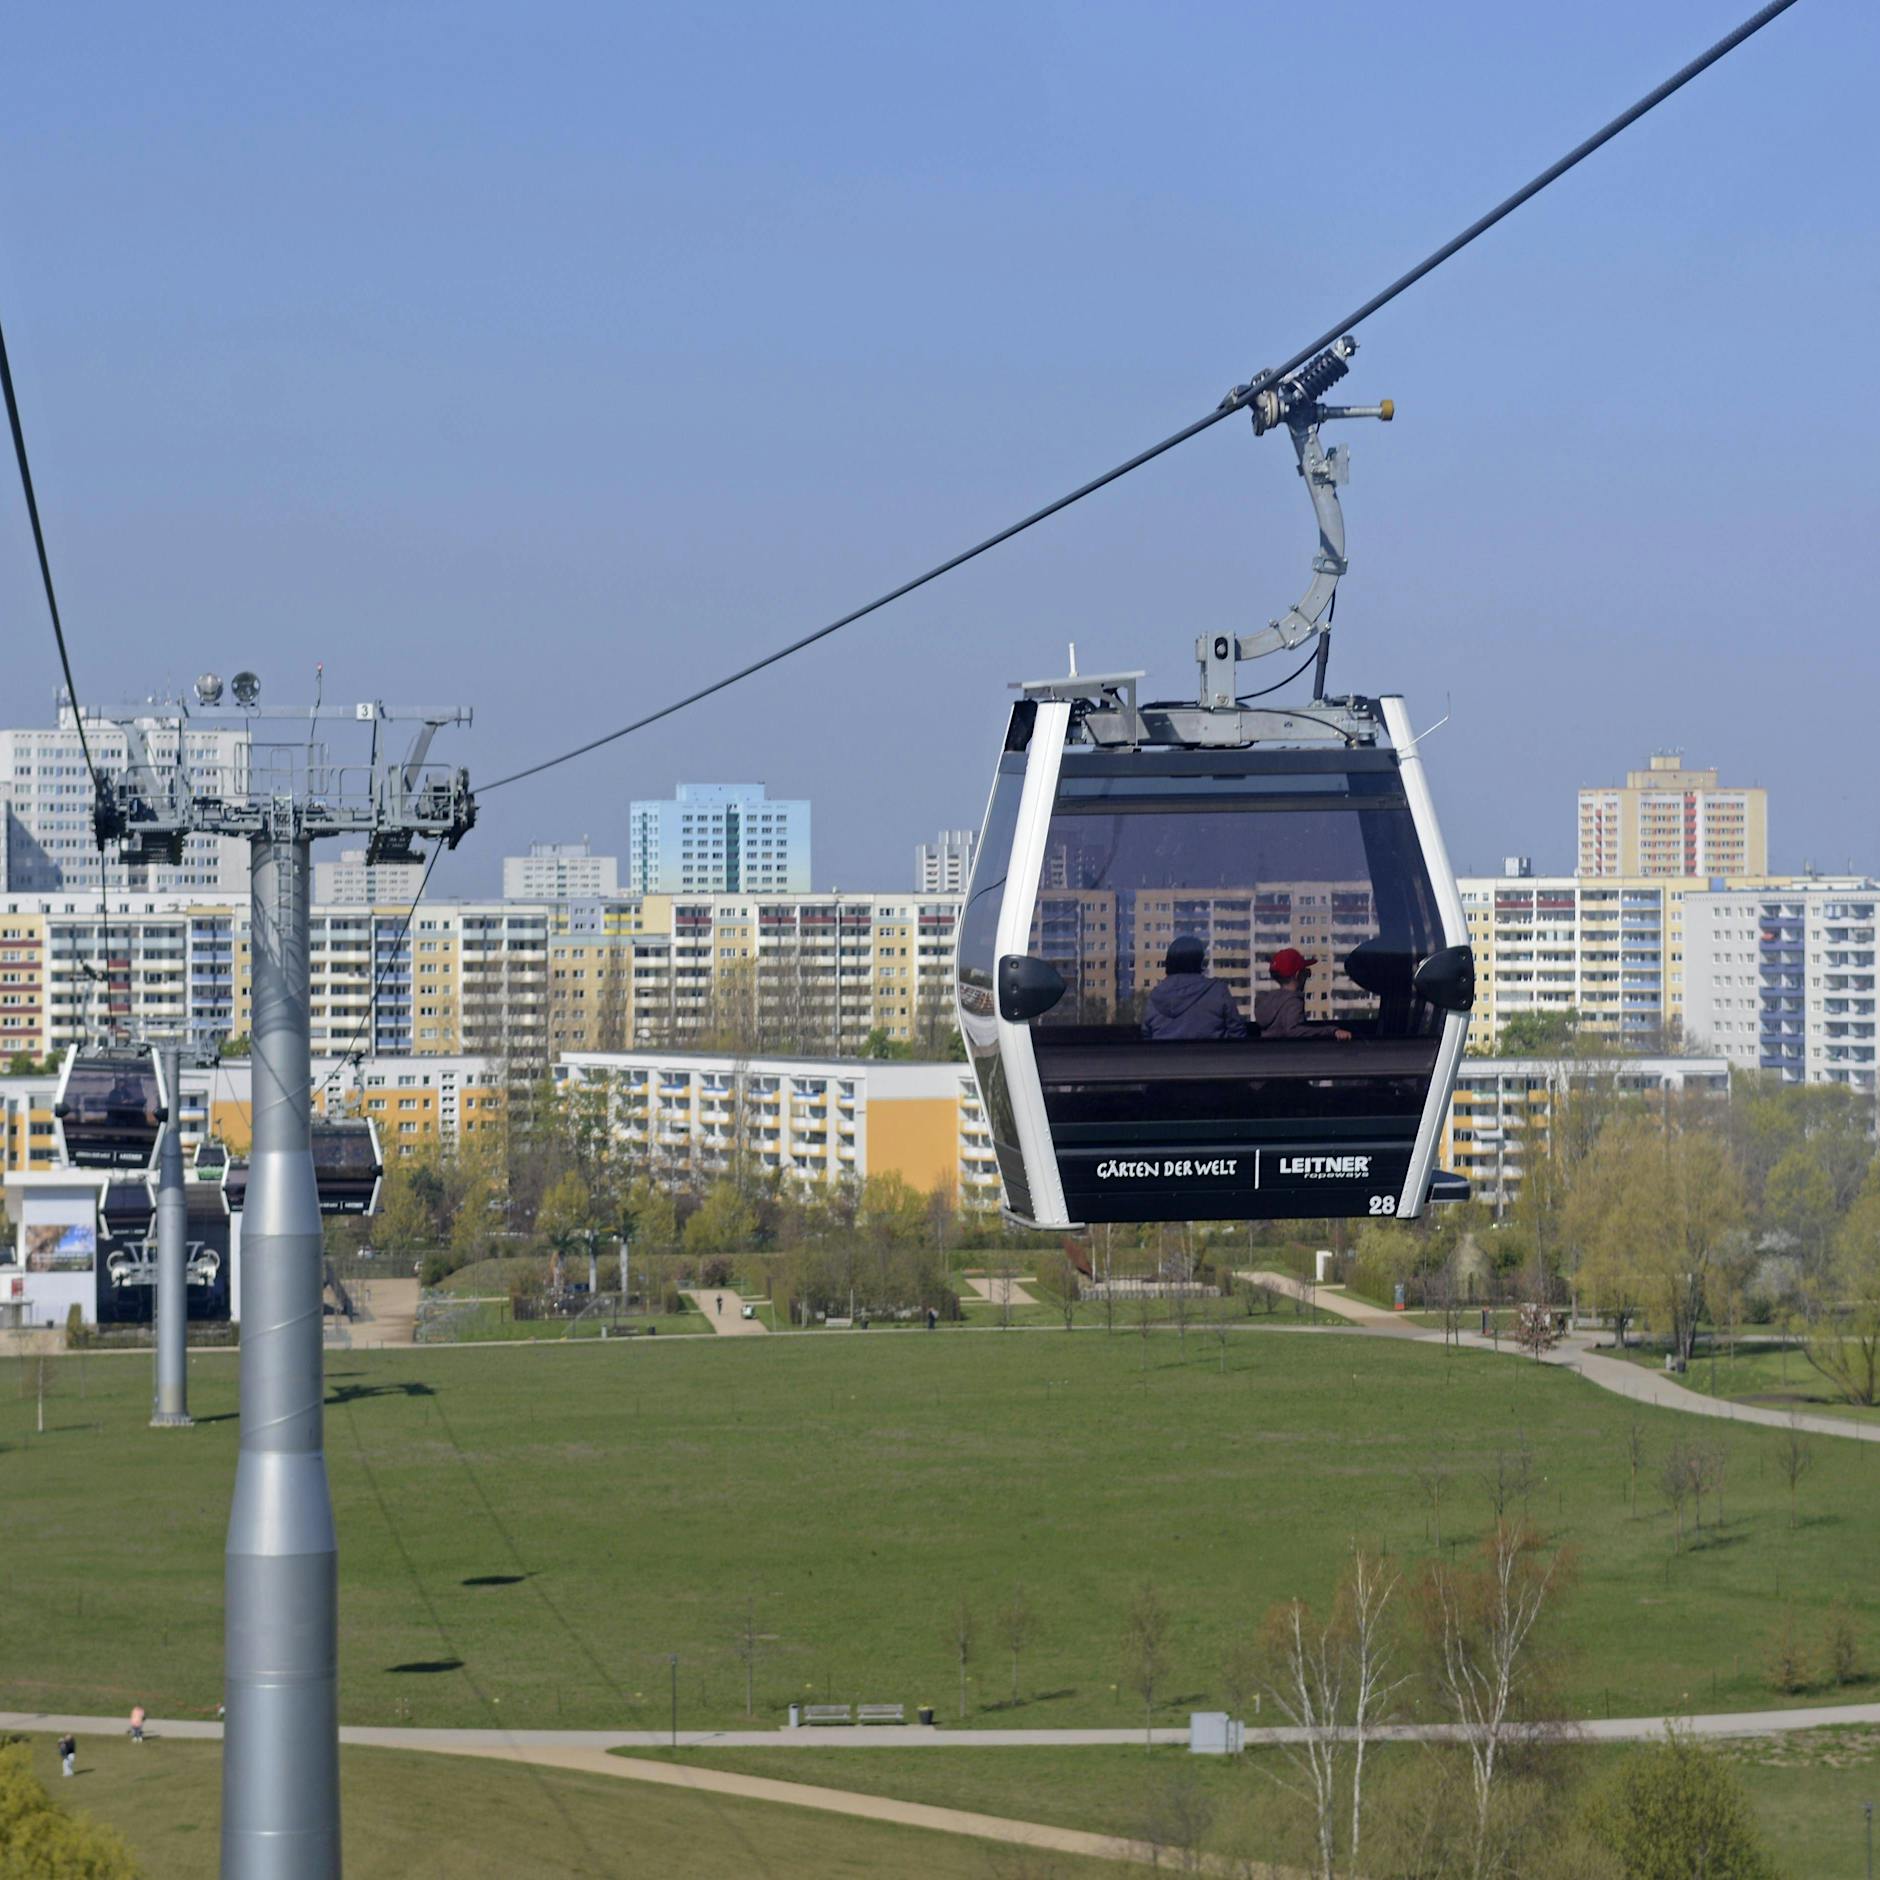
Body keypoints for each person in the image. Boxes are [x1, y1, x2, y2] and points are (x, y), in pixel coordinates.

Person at [1140, 936, 1250, 1040]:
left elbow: (1147, 1038)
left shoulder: (1155, 996)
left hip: (1164, 1059)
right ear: (1200, 960)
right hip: (1214, 1059)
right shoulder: (1218, 991)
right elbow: (1237, 1036)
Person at [1254, 949, 1353, 1041]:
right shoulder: (1293, 1001)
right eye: (1307, 972)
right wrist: (1332, 1031)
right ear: (1298, 975)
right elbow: (1294, 1031)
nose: (1308, 976)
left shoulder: (1268, 1000)